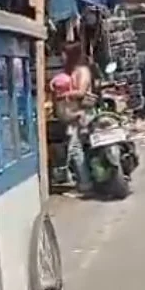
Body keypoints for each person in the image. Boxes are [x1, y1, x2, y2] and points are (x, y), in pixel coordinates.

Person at [54, 43, 94, 194]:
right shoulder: (73, 71)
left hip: (83, 114)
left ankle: (86, 184)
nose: (61, 58)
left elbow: (82, 91)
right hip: (75, 115)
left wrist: (64, 95)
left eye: (63, 54)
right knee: (79, 147)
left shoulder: (82, 71)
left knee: (75, 149)